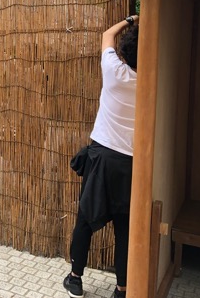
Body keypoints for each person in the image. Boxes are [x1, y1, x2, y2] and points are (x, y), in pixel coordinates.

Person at [63, 15, 139, 298]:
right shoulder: (153, 84)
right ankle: (121, 289)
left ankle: (75, 279)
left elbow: (107, 35)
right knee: (124, 229)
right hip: (131, 164)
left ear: (125, 53)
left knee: (85, 219)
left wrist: (132, 19)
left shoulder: (114, 71)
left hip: (102, 158)